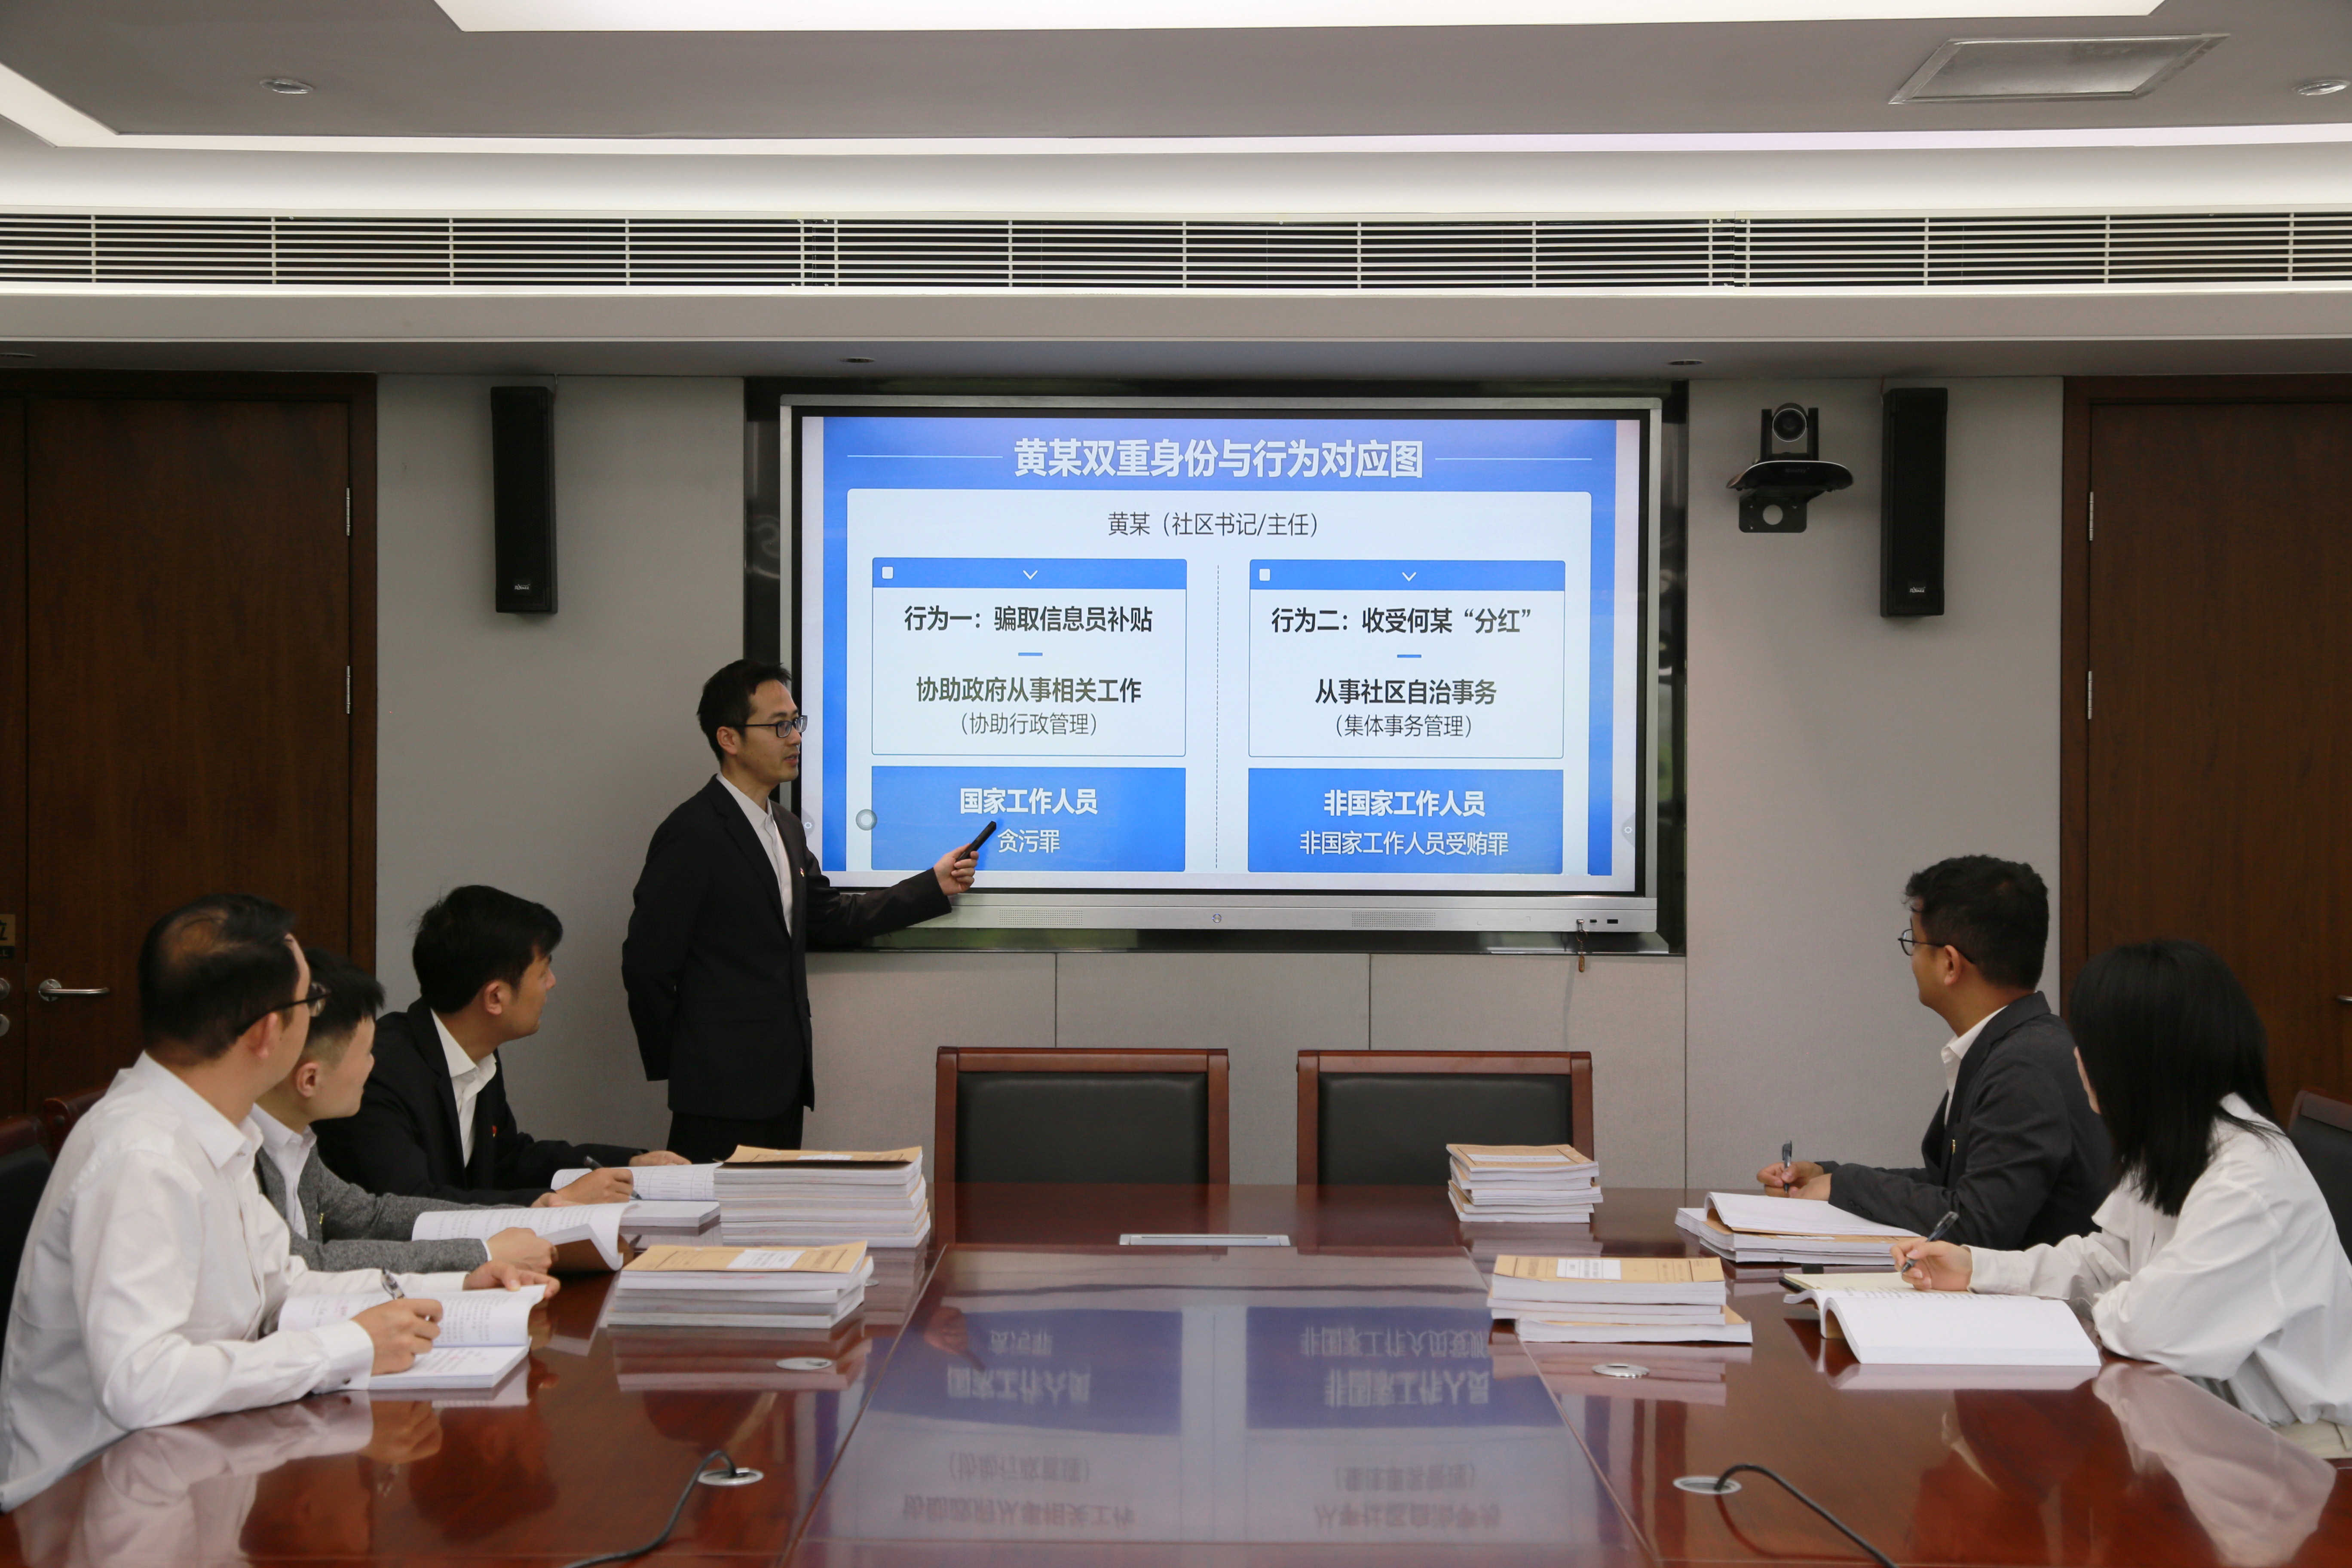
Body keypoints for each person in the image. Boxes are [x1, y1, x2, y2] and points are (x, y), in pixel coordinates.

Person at [0, 895, 543, 1510]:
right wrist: (347, 1345)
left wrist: (457, 1284)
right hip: (91, 1503)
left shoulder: (218, 1132)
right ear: (266, 1033)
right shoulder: (141, 1157)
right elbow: (140, 1382)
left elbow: (283, 1281)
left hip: (194, 1467)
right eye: (310, 1004)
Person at [1896, 940, 2352, 1436]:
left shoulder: (2248, 1184)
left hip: (2305, 1447)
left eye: (2090, 1042)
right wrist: (1978, 1268)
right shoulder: (2178, 1139)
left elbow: (2148, 1328)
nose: (2077, 1056)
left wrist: (2108, 1301)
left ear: (2135, 1060)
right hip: (2205, 1410)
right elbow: (2105, 1264)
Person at [622, 659, 976, 1163]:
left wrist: (932, 886)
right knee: (713, 1213)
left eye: (796, 722)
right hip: (717, 1091)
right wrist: (683, 1064)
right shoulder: (692, 833)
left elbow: (832, 920)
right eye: (779, 726)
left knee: (778, 1211)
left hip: (784, 1083)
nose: (795, 738)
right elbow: (646, 964)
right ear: (729, 738)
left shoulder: (786, 827)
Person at [1758, 855, 2109, 1248]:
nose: (1912, 960)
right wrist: (1831, 1178)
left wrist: (1847, 1185)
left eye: (1915, 943)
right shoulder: (2015, 1044)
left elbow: (1975, 1223)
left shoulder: (2024, 1066)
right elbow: (1954, 1187)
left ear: (1950, 964)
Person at [317, 886, 686, 1208]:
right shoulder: (380, 1071)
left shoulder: (476, 1051)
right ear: (496, 997)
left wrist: (628, 1164)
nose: (552, 983)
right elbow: (408, 1204)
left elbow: (506, 1160)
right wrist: (554, 1201)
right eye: (542, 972)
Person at [253, 947, 558, 1276]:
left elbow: (370, 1216)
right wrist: (482, 1253)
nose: (374, 1065)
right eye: (366, 1054)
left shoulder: (296, 1141)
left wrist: (522, 1215)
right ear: (310, 1079)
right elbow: (300, 1265)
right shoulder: (243, 1157)